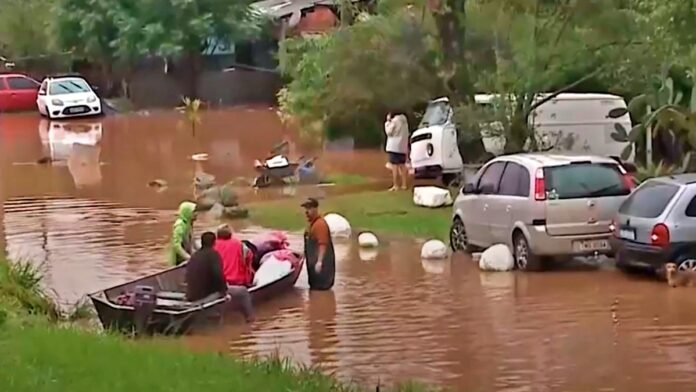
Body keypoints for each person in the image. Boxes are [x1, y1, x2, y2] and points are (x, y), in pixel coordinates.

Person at [214, 225, 256, 322]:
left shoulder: (213, 245)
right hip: (237, 281)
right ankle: (250, 319)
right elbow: (249, 259)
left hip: (219, 282)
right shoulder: (239, 244)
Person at [302, 198, 335, 290]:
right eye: (305, 209)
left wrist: (319, 262)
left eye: (309, 208)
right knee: (315, 291)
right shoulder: (312, 225)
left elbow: (322, 244)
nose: (306, 212)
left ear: (315, 209)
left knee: (321, 292)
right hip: (314, 269)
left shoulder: (320, 225)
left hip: (322, 270)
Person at [185, 232, 228, 302]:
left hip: (191, 295)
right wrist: (224, 291)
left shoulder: (194, 255)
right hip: (205, 296)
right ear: (214, 242)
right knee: (242, 292)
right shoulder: (214, 255)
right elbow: (218, 275)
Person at [384, 111, 410, 191]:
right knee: (402, 165)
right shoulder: (405, 122)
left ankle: (396, 185)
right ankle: (404, 185)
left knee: (394, 166)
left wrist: (387, 122)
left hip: (394, 146)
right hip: (402, 146)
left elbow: (389, 132)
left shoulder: (394, 121)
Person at [169, 201, 197, 266]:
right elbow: (176, 245)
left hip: (186, 254)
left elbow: (192, 241)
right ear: (187, 212)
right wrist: (188, 257)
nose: (196, 214)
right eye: (194, 212)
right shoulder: (180, 226)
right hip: (177, 260)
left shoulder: (189, 223)